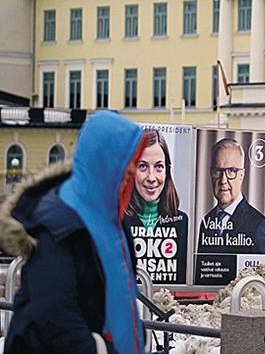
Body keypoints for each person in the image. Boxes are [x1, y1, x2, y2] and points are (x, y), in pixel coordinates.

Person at [0, 111, 145, 354]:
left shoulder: (113, 221)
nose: (132, 170)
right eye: (125, 164)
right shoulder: (57, 224)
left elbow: (124, 295)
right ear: (102, 162)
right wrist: (98, 349)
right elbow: (52, 311)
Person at [123, 129, 189, 283]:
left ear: (167, 171)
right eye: (143, 166)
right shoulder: (117, 220)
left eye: (159, 166)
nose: (151, 177)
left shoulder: (182, 222)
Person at [197, 138, 265, 254]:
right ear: (211, 173)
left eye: (231, 171)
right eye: (217, 171)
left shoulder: (259, 225)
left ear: (242, 175)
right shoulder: (206, 221)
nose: (223, 180)